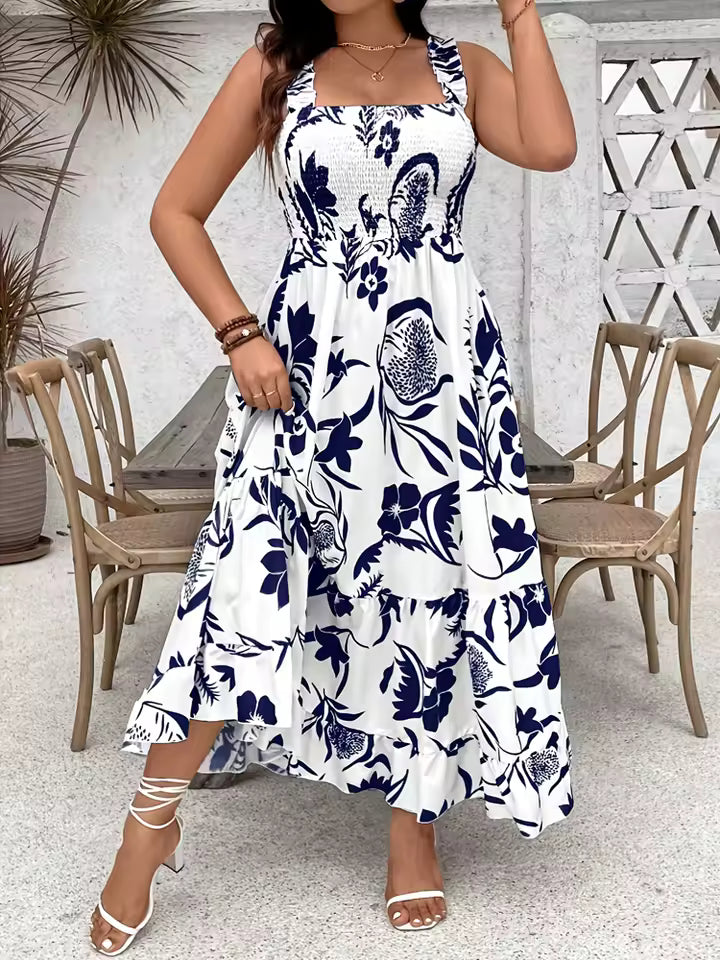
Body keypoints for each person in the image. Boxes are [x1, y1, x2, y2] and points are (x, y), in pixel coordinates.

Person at [89, 0, 577, 952]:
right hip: (304, 372)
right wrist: (240, 333)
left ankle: (413, 828)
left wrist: (522, 12)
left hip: (444, 378)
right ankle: (149, 825)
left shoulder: (464, 67)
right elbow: (174, 213)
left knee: (426, 589)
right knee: (245, 589)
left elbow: (553, 147)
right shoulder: (278, 68)